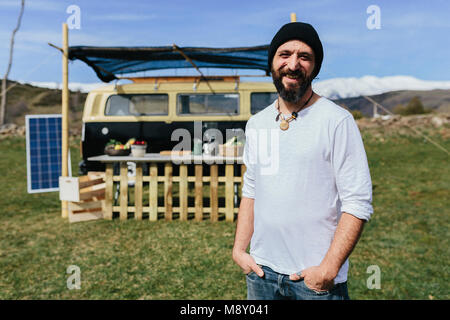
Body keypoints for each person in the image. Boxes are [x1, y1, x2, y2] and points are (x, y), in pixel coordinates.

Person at [232, 22, 374, 300]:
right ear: (272, 62)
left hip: (313, 279)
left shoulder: (337, 121)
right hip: (261, 273)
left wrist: (328, 269)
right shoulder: (257, 123)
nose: (293, 64)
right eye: (284, 54)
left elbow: (357, 201)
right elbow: (251, 190)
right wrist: (240, 250)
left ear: (315, 67)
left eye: (304, 57)